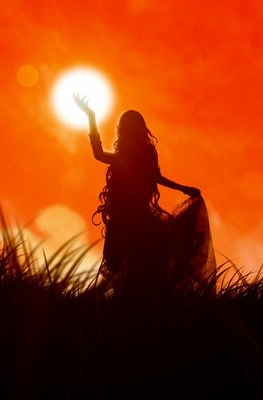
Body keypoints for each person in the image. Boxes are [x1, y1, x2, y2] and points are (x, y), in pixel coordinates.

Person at [73, 94, 216, 299]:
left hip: (137, 218)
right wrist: (91, 116)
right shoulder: (124, 155)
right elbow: (100, 155)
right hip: (123, 217)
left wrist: (183, 188)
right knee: (117, 261)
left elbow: (155, 177)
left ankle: (139, 303)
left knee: (136, 263)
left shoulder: (143, 153)